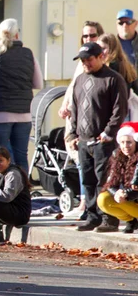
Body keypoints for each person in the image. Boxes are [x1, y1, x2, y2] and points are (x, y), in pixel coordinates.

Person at [66, 42, 128, 232]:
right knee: (88, 180)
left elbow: (120, 110)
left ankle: (108, 218)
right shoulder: (80, 80)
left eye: (89, 59)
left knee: (105, 180)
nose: (86, 64)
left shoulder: (113, 79)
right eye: (83, 61)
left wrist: (108, 132)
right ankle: (92, 216)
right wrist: (72, 134)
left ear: (101, 57)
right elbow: (74, 109)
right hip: (84, 140)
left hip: (103, 141)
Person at [0, 18, 44, 174]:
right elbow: (38, 83)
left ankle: (1, 188)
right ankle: (23, 192)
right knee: (21, 156)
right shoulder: (29, 54)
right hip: (24, 114)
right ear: (17, 34)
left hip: (0, 113)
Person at [59, 21, 105, 219]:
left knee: (96, 168)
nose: (88, 39)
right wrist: (65, 105)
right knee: (82, 163)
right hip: (78, 121)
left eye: (92, 36)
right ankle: (86, 203)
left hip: (97, 127)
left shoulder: (104, 69)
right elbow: (74, 89)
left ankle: (94, 206)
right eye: (85, 36)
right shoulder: (81, 64)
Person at [97, 126, 138, 234]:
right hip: (130, 197)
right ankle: (131, 221)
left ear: (135, 142)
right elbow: (111, 183)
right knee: (103, 199)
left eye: (129, 142)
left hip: (134, 196)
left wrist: (126, 194)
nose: (125, 146)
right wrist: (117, 193)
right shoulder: (117, 155)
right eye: (122, 142)